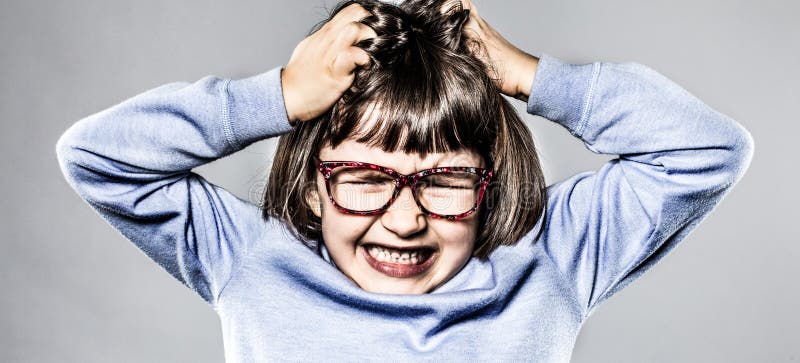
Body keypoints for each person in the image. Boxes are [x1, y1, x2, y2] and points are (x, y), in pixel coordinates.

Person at [55, 0, 754, 361]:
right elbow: (96, 156)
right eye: (363, 175)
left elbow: (708, 149)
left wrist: (527, 74)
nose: (404, 218)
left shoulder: (552, 259)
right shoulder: (252, 258)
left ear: (491, 180)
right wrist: (277, 95)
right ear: (309, 184)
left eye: (445, 179)